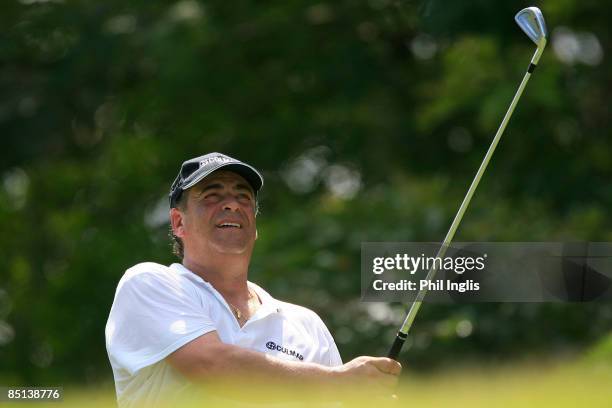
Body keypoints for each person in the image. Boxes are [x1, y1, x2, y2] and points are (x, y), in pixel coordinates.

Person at [105, 152, 401, 407]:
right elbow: (212, 366)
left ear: (254, 224)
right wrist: (341, 381)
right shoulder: (148, 283)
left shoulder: (306, 324)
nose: (232, 204)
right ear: (178, 222)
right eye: (212, 195)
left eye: (243, 196)